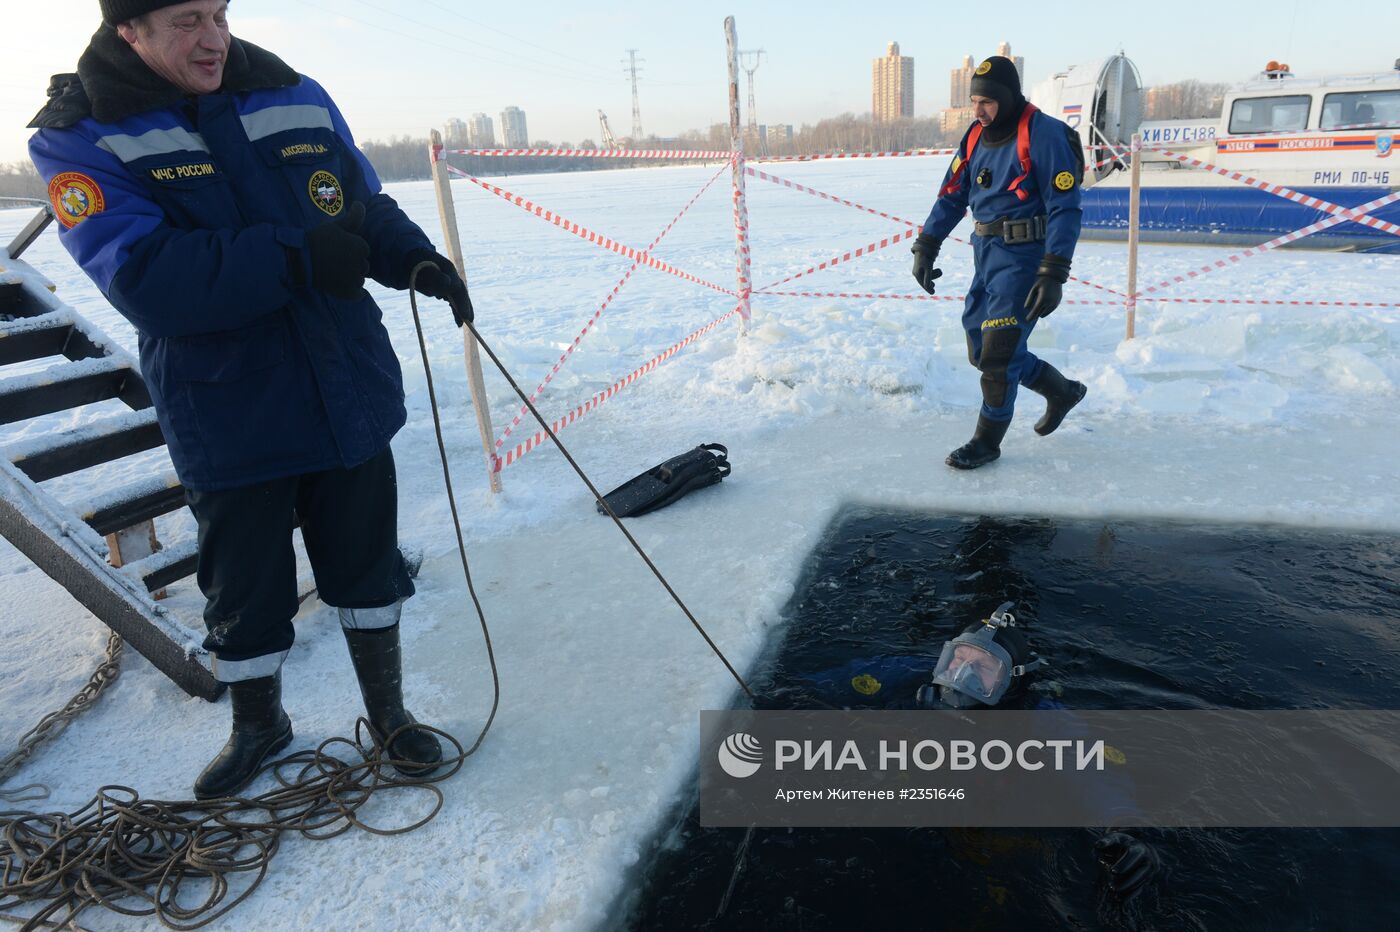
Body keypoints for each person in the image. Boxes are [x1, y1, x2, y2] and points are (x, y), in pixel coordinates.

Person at [28, 0, 472, 799]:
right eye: (187, 20)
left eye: (222, 14)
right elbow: (146, 278)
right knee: (244, 593)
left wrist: (416, 260)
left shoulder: (292, 92)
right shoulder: (79, 134)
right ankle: (259, 724)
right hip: (229, 412)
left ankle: (391, 713)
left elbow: (357, 203)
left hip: (345, 388)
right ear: (129, 30)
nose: (215, 39)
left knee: (368, 569)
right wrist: (295, 258)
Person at [912, 56, 1089, 469]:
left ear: (1008, 97)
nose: (979, 111)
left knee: (999, 354)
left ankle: (987, 440)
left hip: (1027, 258)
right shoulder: (975, 137)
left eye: (987, 101)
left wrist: (1054, 271)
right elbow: (952, 194)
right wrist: (927, 244)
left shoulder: (1043, 135)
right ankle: (1061, 390)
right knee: (981, 350)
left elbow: (1066, 207)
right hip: (987, 254)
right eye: (975, 101)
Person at [917, 602, 1160, 899]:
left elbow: (1091, 769)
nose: (961, 674)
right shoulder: (920, 682)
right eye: (958, 659)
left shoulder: (1041, 718)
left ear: (1011, 678)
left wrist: (1126, 827)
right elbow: (855, 673)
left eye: (981, 666)